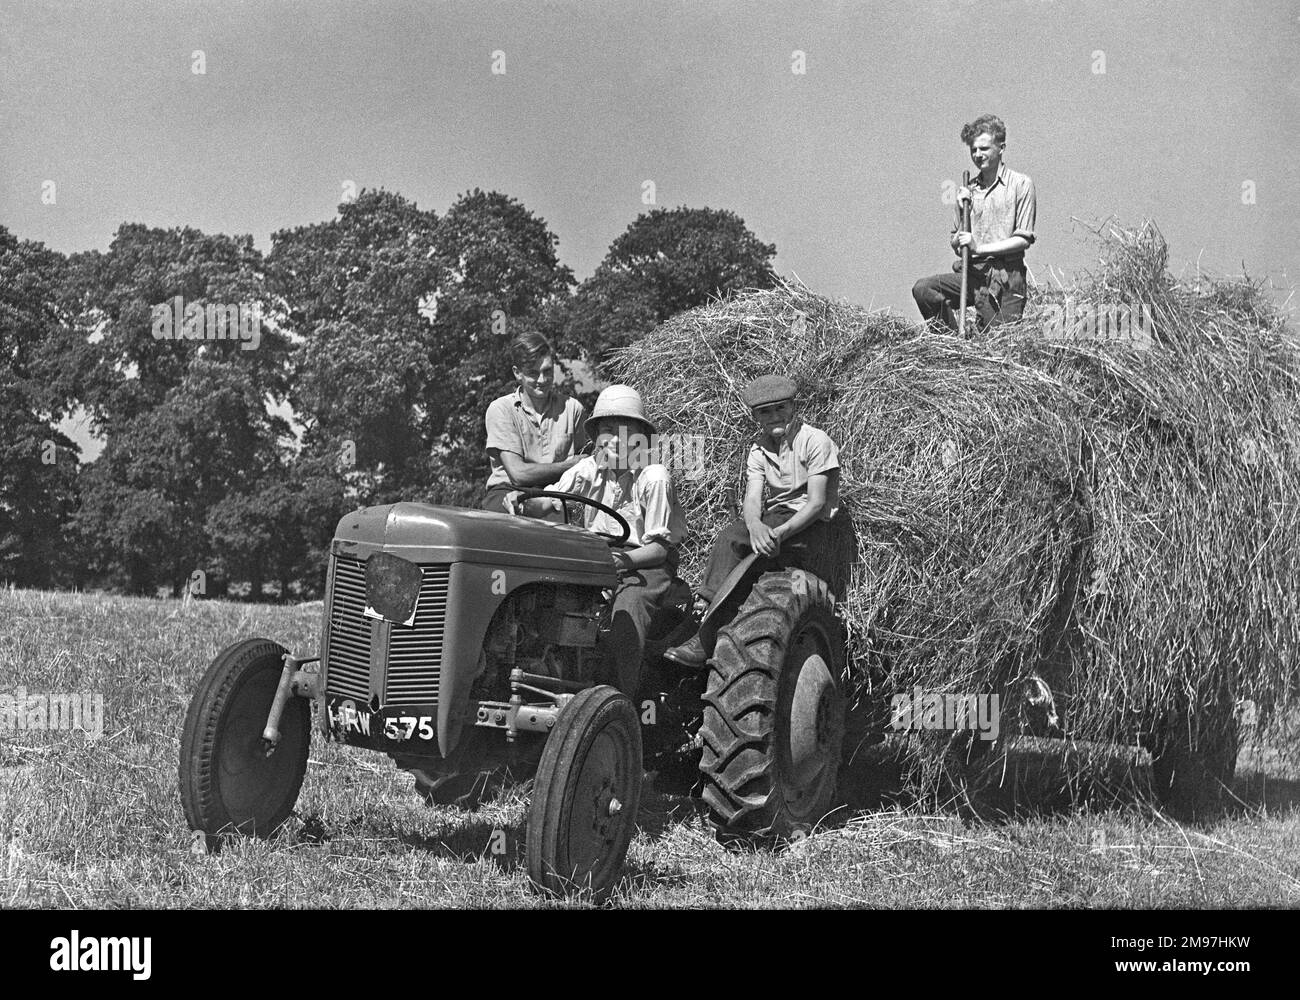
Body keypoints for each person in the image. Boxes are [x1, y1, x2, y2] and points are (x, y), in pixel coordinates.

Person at [510, 384, 688, 695]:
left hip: (647, 562)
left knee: (627, 611)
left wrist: (620, 562)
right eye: (607, 430)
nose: (614, 439)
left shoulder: (654, 476)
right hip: (599, 555)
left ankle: (618, 699)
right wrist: (522, 501)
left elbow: (659, 549)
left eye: (624, 431)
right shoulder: (588, 469)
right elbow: (548, 502)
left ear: (640, 438)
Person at [664, 373, 840, 669]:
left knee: (751, 563)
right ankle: (704, 608)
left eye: (781, 408)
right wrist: (756, 526)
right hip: (776, 517)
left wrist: (778, 534)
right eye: (765, 412)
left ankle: (705, 638)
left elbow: (816, 503)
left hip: (810, 525)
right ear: (756, 417)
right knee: (731, 536)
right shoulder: (759, 449)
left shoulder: (815, 441)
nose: (774, 416)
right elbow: (753, 498)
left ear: (793, 406)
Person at [912, 114, 1036, 333]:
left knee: (995, 344)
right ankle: (950, 344)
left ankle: (972, 343)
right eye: (973, 150)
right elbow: (956, 243)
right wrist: (962, 213)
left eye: (984, 148)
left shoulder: (1021, 184)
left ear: (1001, 148)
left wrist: (979, 248)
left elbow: (1023, 240)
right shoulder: (966, 192)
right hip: (973, 275)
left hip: (1007, 279)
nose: (978, 155)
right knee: (924, 289)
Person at [481, 331, 588, 513]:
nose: (542, 380)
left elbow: (586, 465)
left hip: (557, 492)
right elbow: (518, 474)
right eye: (533, 373)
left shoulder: (573, 409)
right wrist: (569, 465)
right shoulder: (502, 409)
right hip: (508, 490)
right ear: (517, 373)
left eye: (547, 371)